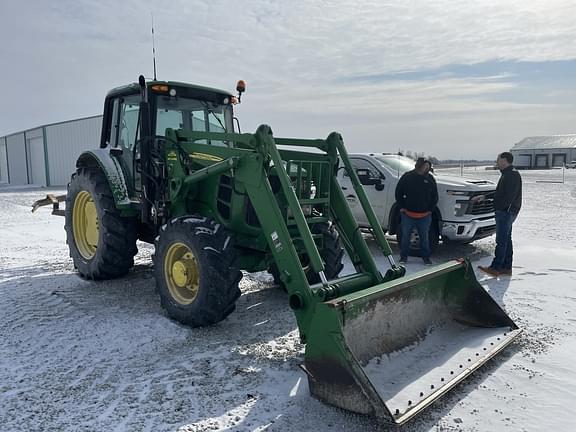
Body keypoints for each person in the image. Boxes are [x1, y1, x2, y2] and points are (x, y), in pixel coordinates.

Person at [478, 152, 522, 277]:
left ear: (505, 160)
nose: (496, 161)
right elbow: (499, 193)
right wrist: (485, 196)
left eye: (498, 159)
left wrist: (500, 208)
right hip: (506, 211)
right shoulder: (507, 174)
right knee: (506, 239)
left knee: (501, 240)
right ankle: (506, 267)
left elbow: (509, 197)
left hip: (506, 212)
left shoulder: (512, 175)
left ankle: (495, 268)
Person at [395, 157, 438, 265]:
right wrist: (402, 207)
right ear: (419, 165)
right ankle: (403, 257)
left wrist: (430, 210)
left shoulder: (430, 179)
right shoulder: (407, 177)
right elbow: (398, 192)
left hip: (424, 215)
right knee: (405, 237)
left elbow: (435, 196)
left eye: (428, 166)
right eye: (425, 165)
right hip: (408, 214)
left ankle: (426, 258)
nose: (427, 168)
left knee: (424, 238)